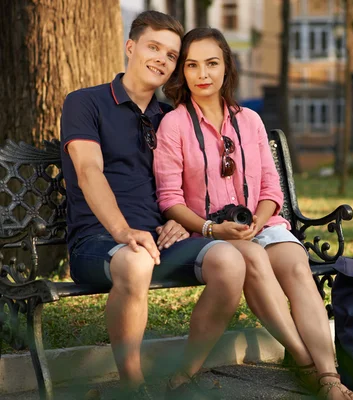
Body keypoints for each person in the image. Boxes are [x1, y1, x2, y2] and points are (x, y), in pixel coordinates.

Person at [153, 27, 353, 400]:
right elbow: (170, 199)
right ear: (181, 72)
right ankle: (307, 365)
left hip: (261, 225)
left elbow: (270, 189)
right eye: (192, 65)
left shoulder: (249, 120)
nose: (203, 74)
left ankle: (328, 372)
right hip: (210, 234)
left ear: (227, 67)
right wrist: (214, 229)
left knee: (296, 263)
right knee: (252, 259)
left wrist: (259, 223)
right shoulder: (174, 125)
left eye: (212, 64)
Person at [60, 12, 246, 399]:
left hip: (161, 240)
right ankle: (133, 387)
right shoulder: (85, 103)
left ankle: (183, 376)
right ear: (131, 47)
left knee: (230, 263)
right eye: (153, 47)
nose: (162, 59)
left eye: (172, 55)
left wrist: (177, 220)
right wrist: (123, 232)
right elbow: (88, 171)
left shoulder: (169, 117)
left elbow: (178, 188)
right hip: (97, 242)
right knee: (136, 259)